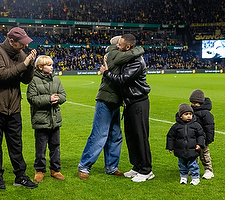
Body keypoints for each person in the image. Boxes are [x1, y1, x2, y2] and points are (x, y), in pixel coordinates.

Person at [78, 35, 145, 180]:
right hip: (106, 100)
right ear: (117, 46)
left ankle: (111, 167)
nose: (121, 46)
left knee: (115, 135)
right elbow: (131, 52)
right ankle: (84, 166)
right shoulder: (114, 54)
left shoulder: (117, 55)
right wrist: (141, 48)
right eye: (120, 44)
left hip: (116, 101)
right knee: (99, 134)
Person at [0, 27, 38, 189]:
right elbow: (3, 75)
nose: (24, 46)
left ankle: (20, 175)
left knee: (16, 143)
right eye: (21, 43)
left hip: (14, 107)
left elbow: (26, 81)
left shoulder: (21, 55)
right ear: (11, 41)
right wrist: (24, 64)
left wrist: (30, 66)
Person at [100, 34, 154, 182]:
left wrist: (106, 72)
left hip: (139, 102)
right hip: (130, 102)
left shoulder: (137, 61)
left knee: (140, 136)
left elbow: (123, 79)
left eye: (120, 45)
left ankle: (146, 170)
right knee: (131, 136)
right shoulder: (128, 58)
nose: (118, 46)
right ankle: (137, 166)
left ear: (128, 47)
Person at [26, 55, 66, 183]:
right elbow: (31, 99)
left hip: (55, 119)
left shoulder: (56, 79)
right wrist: (48, 99)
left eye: (51, 64)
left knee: (55, 146)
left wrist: (58, 98)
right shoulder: (33, 80)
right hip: (41, 120)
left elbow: (63, 95)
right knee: (41, 148)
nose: (51, 67)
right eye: (48, 65)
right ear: (40, 67)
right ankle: (39, 170)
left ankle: (55, 170)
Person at [166, 103, 205, 185]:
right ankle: (183, 177)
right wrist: (170, 147)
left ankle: (195, 178)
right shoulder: (176, 126)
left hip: (192, 150)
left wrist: (199, 144)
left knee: (193, 165)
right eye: (186, 114)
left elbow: (201, 135)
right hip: (180, 150)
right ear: (181, 116)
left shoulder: (196, 125)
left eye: (190, 114)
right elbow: (170, 136)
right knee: (182, 165)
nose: (189, 116)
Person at [189, 89, 215, 179]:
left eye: (195, 102)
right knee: (193, 153)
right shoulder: (192, 112)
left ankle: (208, 170)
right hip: (193, 137)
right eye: (192, 102)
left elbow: (209, 126)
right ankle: (193, 168)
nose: (193, 104)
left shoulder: (206, 113)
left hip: (203, 138)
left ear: (200, 102)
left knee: (204, 154)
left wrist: (209, 138)